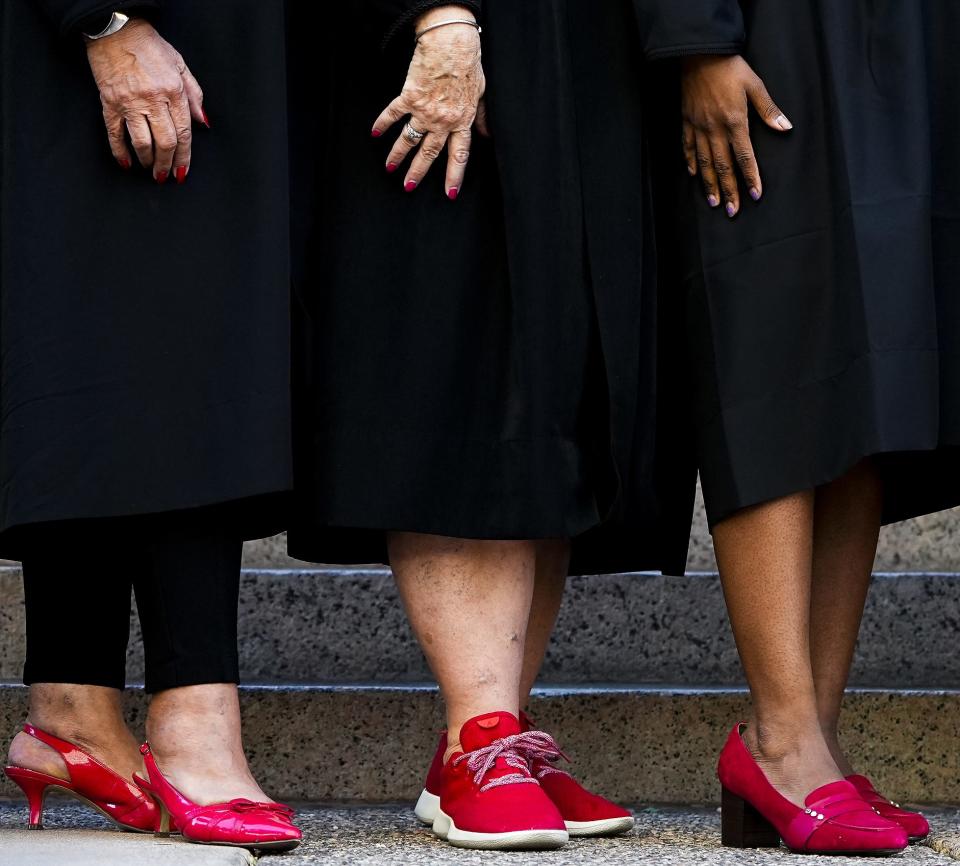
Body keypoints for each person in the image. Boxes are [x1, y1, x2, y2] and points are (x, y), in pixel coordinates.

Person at [287, 0, 693, 851]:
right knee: (462, 358)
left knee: (554, 378)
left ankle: (489, 736)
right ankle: (480, 734)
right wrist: (436, 16)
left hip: (583, 51)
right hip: (451, 36)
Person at [640, 0, 958, 855]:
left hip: (910, 44)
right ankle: (780, 741)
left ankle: (814, 732)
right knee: (774, 355)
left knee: (866, 386)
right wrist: (698, 38)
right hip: (770, 36)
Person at [1, 0, 300, 850]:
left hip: (222, 40)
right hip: (120, 31)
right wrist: (100, 20)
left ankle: (73, 708)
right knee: (148, 322)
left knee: (124, 330)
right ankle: (194, 723)